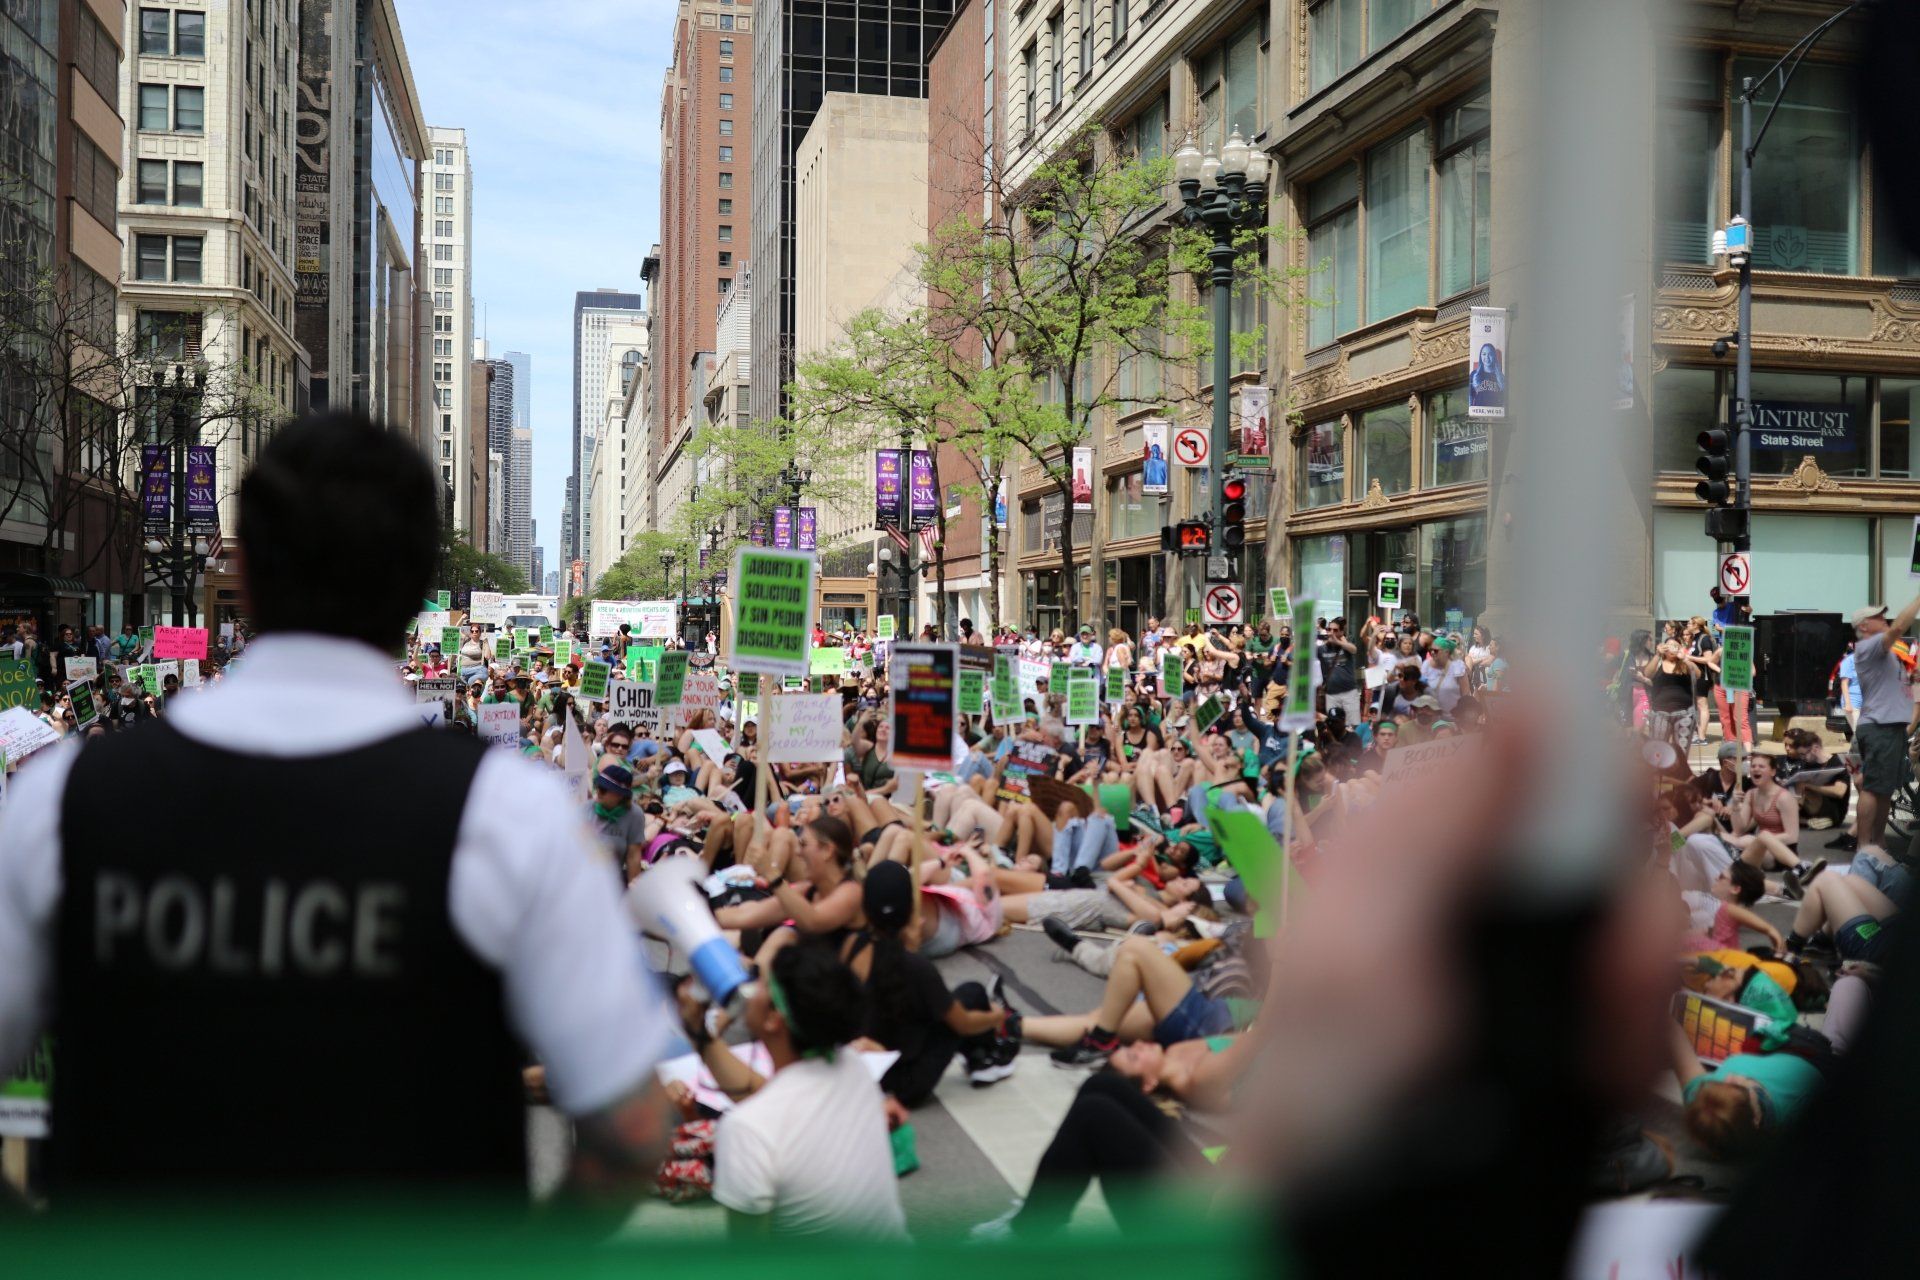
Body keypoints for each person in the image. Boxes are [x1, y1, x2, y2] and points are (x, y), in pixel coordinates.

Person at [0, 412, 677, 1195]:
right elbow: (633, 1129)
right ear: (419, 585)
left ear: (247, 570)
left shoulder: (59, 799)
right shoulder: (514, 816)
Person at [711, 942, 908, 1238]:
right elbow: (780, 1105)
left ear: (774, 1019)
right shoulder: (854, 1065)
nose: (751, 987)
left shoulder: (745, 1128)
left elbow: (747, 1256)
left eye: (763, 983)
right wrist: (703, 1038)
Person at [843, 861, 1017, 1100]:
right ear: (910, 908)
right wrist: (997, 1016)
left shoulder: (853, 946)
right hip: (905, 1083)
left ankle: (981, 1055)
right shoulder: (916, 967)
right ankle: (986, 1053)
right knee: (972, 994)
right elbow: (963, 1023)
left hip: (861, 1069)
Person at [1847, 596, 1920, 848]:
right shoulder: (1869, 646)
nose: (1884, 619)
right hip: (1880, 727)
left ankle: (1877, 843)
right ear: (1864, 626)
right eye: (1877, 617)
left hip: (1890, 728)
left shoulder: (1886, 655)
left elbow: (1903, 689)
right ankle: (1865, 845)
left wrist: (1913, 679)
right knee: (1873, 787)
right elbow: (1899, 626)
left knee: (1885, 789)